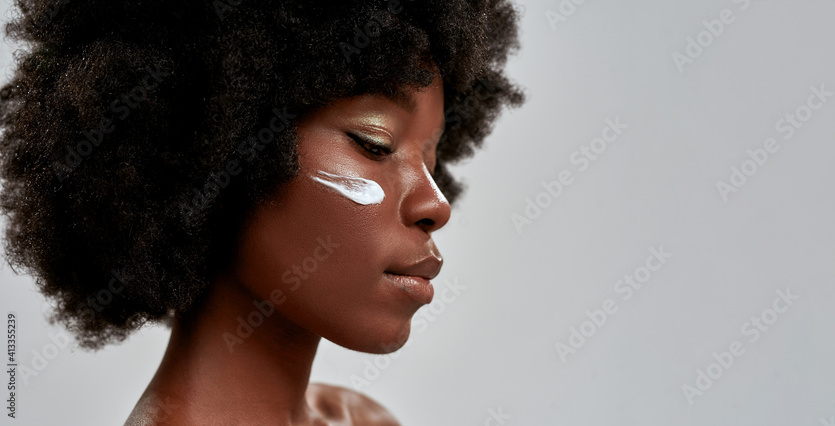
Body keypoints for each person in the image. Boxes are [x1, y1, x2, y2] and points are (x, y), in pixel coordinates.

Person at [0, 0, 524, 424]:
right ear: (217, 152)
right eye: (375, 144)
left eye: (432, 160)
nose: (435, 204)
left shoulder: (357, 419)